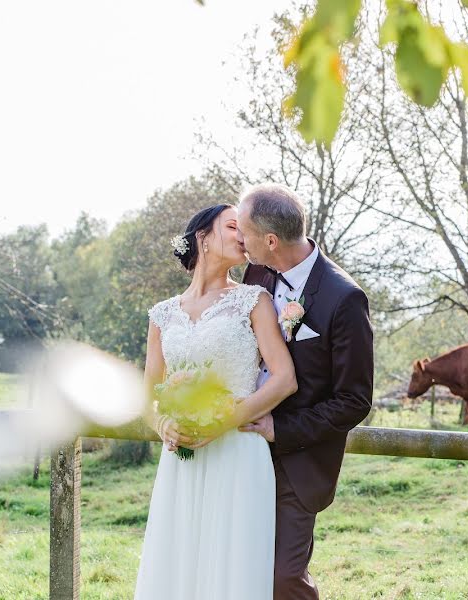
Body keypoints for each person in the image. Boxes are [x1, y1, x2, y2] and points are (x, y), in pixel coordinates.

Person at [135, 203, 296, 599]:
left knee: (232, 572)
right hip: (182, 462)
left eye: (245, 229)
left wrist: (223, 422)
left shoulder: (254, 301)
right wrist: (164, 425)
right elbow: (147, 398)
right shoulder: (162, 315)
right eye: (232, 227)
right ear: (203, 237)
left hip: (238, 452)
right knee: (178, 569)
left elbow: (285, 378)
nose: (243, 236)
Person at [237, 184, 373, 599]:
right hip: (241, 452)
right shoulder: (256, 273)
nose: (240, 241)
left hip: (297, 461)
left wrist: (282, 429)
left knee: (283, 578)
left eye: (244, 232)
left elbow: (354, 400)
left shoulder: (343, 298)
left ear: (271, 240)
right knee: (242, 571)